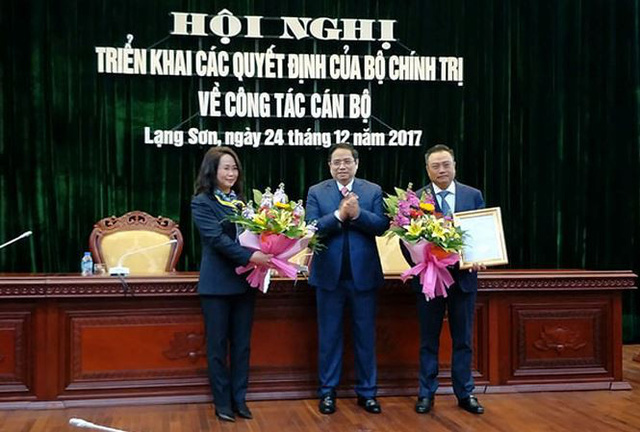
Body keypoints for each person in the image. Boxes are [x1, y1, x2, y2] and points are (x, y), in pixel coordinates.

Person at [305, 143, 389, 415]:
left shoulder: (372, 190)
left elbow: (381, 226)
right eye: (336, 162)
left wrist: (358, 214)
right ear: (329, 166)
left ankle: (367, 393)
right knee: (329, 337)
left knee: (365, 337)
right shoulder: (317, 191)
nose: (342, 166)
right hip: (328, 277)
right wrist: (339, 216)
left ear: (356, 164)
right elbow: (311, 228)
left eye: (347, 161)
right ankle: (328, 392)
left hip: (363, 277)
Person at [191, 147, 272, 422]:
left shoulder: (242, 203)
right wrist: (251, 257)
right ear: (212, 170)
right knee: (217, 347)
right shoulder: (202, 202)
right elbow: (216, 239)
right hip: (216, 285)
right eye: (226, 167)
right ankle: (222, 402)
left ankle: (240, 399)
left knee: (242, 345)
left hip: (244, 283)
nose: (231, 173)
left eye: (234, 168)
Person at [404, 144, 486, 415]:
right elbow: (406, 243)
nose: (442, 170)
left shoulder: (472, 195)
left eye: (446, 164)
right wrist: (423, 264)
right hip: (430, 280)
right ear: (427, 170)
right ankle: (426, 393)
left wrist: (480, 256)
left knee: (463, 340)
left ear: (454, 166)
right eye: (435, 166)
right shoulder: (416, 200)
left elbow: (480, 233)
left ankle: (465, 393)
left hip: (463, 280)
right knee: (429, 340)